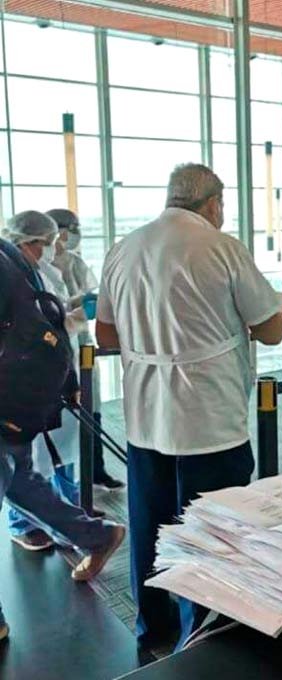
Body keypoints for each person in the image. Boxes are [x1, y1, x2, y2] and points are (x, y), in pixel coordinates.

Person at [95, 163, 282, 651]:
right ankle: (202, 640)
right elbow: (270, 329)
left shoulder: (124, 249)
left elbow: (105, 334)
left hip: (143, 416)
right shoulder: (222, 248)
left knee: (150, 526)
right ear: (214, 204)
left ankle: (151, 627)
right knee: (210, 531)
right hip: (210, 417)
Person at [0, 233, 126, 641]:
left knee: (17, 477)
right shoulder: (10, 253)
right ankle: (97, 534)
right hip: (20, 397)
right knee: (19, 482)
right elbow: (47, 316)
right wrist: (67, 378)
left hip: (5, 400)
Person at [46, 208, 124, 492]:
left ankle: (96, 471)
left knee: (92, 409)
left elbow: (87, 292)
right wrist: (75, 310)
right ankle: (69, 491)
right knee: (65, 424)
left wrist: (85, 303)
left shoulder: (73, 261)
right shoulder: (37, 268)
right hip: (61, 349)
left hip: (82, 345)